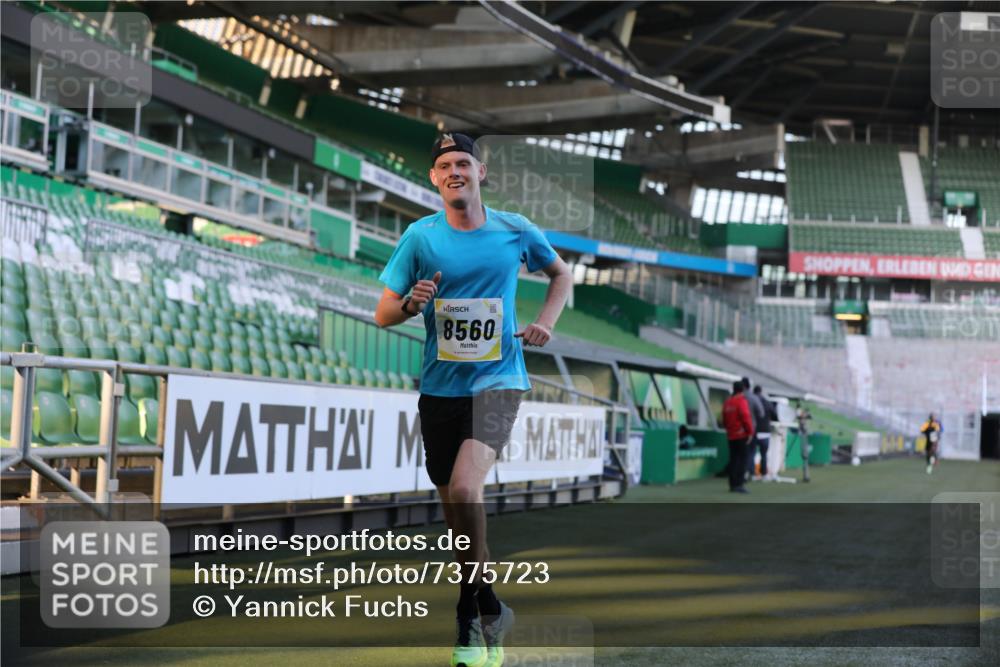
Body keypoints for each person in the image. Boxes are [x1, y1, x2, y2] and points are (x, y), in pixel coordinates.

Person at [374, 132, 572, 667]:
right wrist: (412, 305)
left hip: (500, 379)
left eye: (465, 161)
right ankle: (490, 604)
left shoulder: (515, 231)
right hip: (439, 388)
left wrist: (545, 323)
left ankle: (467, 615)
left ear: (481, 173)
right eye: (445, 165)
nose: (455, 170)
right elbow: (383, 313)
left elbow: (561, 274)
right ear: (435, 179)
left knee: (466, 487)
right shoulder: (420, 238)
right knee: (456, 513)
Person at [722, 380, 754, 494]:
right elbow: (746, 417)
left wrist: (729, 429)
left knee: (733, 459)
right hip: (741, 435)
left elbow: (724, 419)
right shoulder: (741, 401)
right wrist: (750, 432)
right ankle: (739, 484)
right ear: (743, 390)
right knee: (743, 460)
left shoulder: (727, 402)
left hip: (731, 435)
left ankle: (732, 484)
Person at [742, 377, 764, 480]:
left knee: (739, 452)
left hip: (738, 429)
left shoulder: (737, 397)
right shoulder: (753, 398)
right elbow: (761, 413)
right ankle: (748, 472)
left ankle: (741, 472)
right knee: (751, 451)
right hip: (751, 428)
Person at [752, 385, 776, 478]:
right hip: (765, 431)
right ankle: (764, 473)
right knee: (764, 454)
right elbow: (775, 414)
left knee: (751, 453)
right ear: (761, 391)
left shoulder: (751, 400)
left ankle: (751, 473)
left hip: (754, 431)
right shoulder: (767, 402)